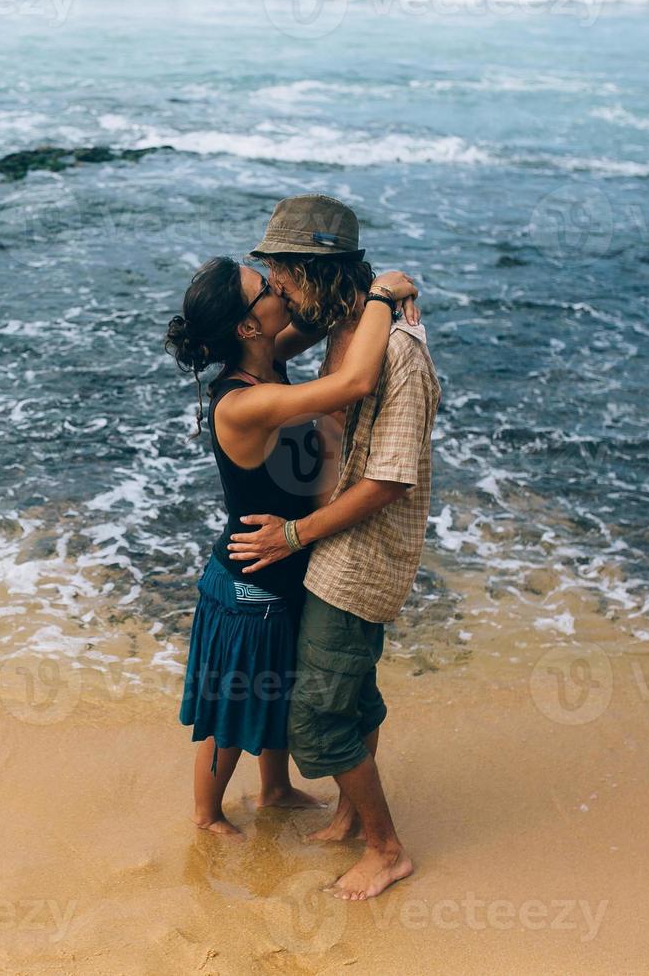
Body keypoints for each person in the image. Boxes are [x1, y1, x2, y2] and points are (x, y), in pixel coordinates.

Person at [164, 250, 419, 838]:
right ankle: (206, 816)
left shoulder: (269, 357)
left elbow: (323, 316)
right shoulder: (244, 401)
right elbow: (351, 384)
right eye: (267, 288)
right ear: (249, 325)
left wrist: (349, 290)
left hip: (283, 559)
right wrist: (383, 295)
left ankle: (274, 789)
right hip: (250, 577)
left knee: (274, 682)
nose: (281, 288)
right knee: (233, 708)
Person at [229, 194, 441, 898]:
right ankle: (352, 817)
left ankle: (387, 849)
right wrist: (382, 290)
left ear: (316, 270)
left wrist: (293, 535)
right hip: (333, 543)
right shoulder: (342, 324)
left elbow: (389, 480)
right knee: (353, 695)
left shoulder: (399, 353)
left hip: (360, 553)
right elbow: (270, 355)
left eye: (282, 276)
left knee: (317, 724)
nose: (278, 292)